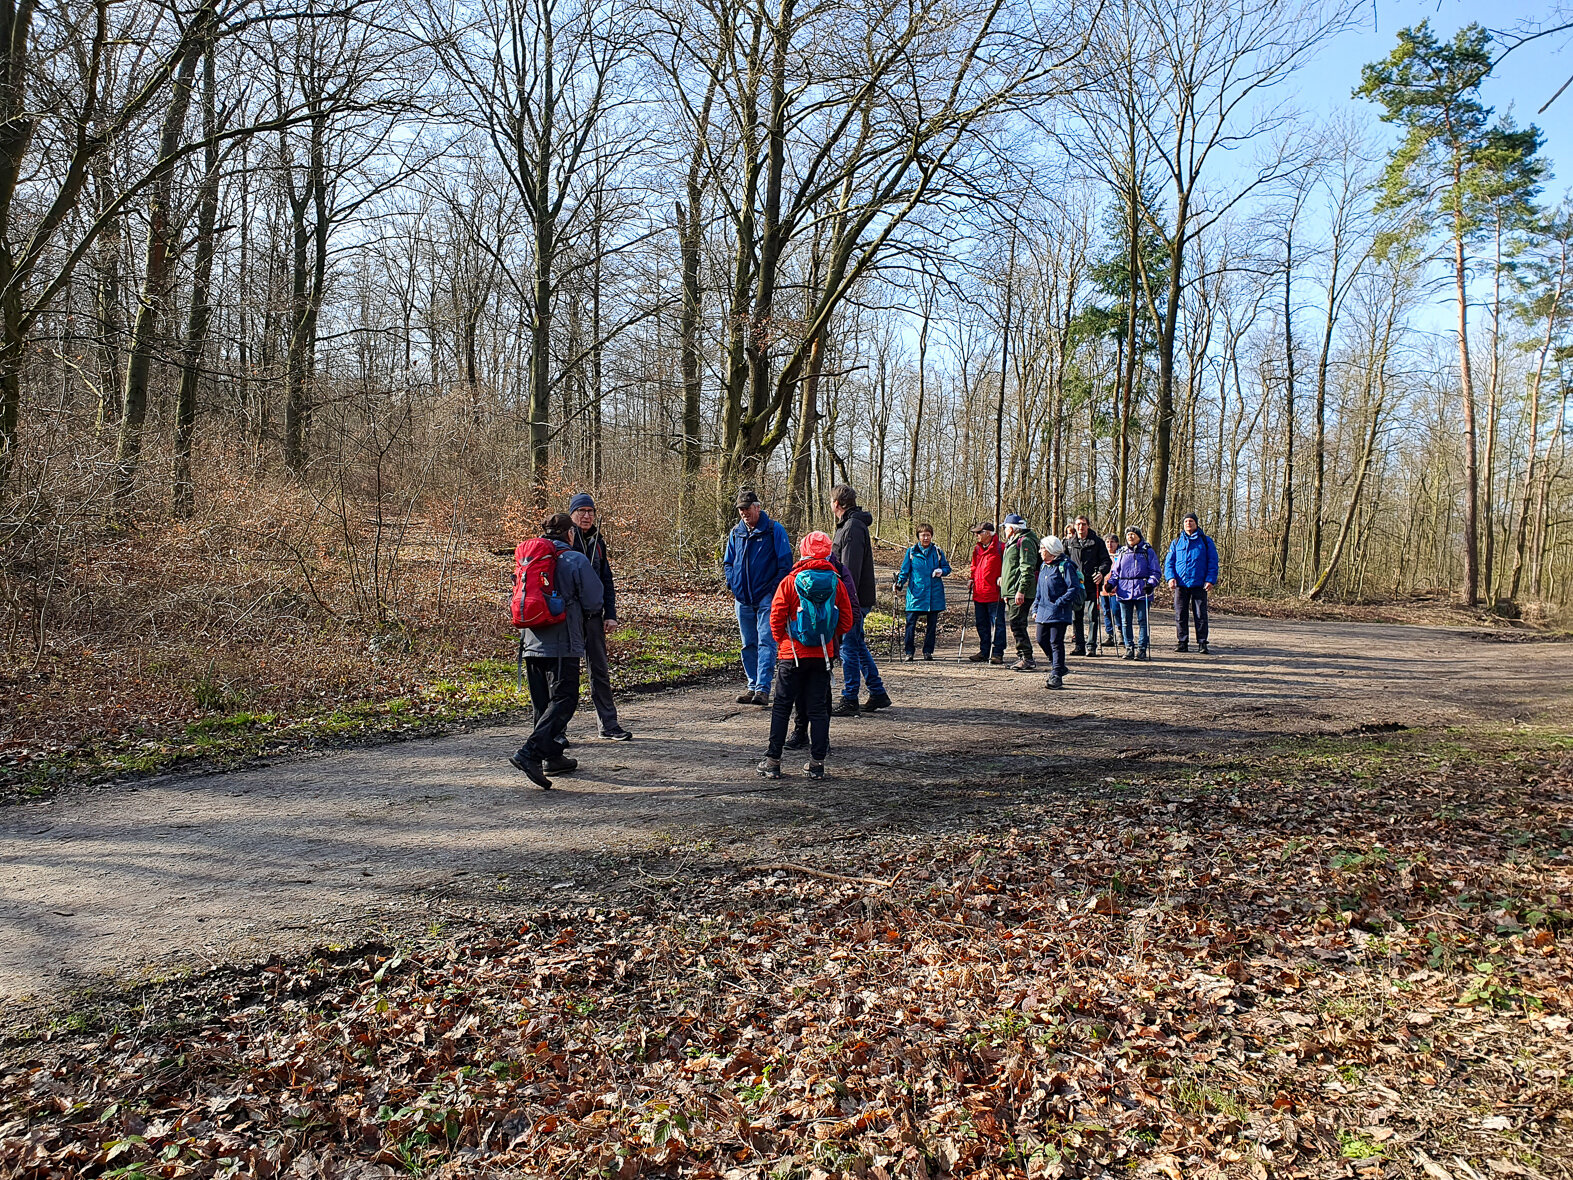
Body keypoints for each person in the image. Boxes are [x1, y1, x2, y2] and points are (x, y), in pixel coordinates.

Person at [508, 513, 605, 790]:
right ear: (570, 534)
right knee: (564, 699)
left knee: (543, 702)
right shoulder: (575, 559)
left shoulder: (528, 560)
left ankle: (551, 757)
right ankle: (530, 753)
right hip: (563, 642)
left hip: (530, 641)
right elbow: (594, 599)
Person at [758, 531, 855, 781]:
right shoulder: (836, 582)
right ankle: (816, 764)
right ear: (827, 553)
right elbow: (846, 621)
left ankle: (772, 762)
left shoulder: (790, 581)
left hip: (792, 656)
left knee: (782, 707)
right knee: (818, 710)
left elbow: (776, 617)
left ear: (802, 551)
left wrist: (785, 642)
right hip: (822, 656)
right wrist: (828, 637)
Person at [567, 493, 632, 740]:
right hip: (569, 618)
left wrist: (611, 614)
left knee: (600, 672)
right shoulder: (564, 539)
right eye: (581, 511)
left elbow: (606, 579)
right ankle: (558, 732)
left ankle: (609, 725)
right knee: (567, 675)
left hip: (594, 617)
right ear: (572, 514)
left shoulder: (598, 541)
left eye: (590, 511)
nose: (586, 516)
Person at [785, 541, 858, 751]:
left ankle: (811, 735)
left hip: (810, 645)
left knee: (812, 691)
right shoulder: (836, 572)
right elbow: (850, 610)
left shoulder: (834, 573)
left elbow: (780, 610)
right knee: (817, 691)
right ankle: (812, 736)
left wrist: (786, 636)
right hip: (820, 644)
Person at [722, 488, 793, 706]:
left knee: (766, 642)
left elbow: (785, 565)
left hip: (766, 598)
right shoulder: (736, 532)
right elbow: (727, 562)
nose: (744, 513)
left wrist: (772, 591)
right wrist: (733, 584)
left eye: (747, 508)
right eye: (740, 509)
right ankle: (752, 685)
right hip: (742, 598)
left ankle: (762, 689)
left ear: (757, 507)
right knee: (748, 644)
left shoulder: (774, 530)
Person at [829, 484, 890, 716]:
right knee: (857, 644)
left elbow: (849, 570)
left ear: (837, 504)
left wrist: (842, 601)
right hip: (855, 597)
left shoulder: (852, 527)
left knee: (849, 646)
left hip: (852, 599)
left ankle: (850, 698)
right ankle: (877, 692)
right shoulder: (850, 525)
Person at [1164, 511, 1219, 653]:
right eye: (1186, 521)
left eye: (1191, 521)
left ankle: (1202, 643)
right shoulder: (1176, 542)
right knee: (1180, 614)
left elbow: (1213, 562)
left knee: (1200, 615)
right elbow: (1169, 563)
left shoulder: (1206, 542)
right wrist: (1170, 578)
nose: (1188, 524)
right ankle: (1182, 642)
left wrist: (1210, 580)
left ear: (1196, 523)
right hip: (1180, 585)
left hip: (1199, 584)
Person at [894, 523, 951, 660]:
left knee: (932, 625)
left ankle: (928, 652)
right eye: (923, 535)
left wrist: (941, 571)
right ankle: (909, 652)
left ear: (931, 536)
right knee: (910, 624)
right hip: (916, 594)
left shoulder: (938, 551)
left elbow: (947, 568)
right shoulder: (911, 552)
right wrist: (899, 584)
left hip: (933, 594)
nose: (925, 537)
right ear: (918, 536)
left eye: (928, 535)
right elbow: (904, 572)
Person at [1031, 535, 1081, 689]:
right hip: (1044, 611)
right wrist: (1035, 607)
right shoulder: (1044, 566)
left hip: (1059, 612)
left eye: (1042, 548)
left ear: (1051, 550)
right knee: (1041, 639)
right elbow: (1039, 590)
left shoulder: (1066, 566)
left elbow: (1073, 587)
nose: (1040, 551)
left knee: (1055, 642)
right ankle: (1058, 666)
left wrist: (1060, 602)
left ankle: (1056, 675)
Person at [1063, 515, 1112, 657]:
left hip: (1092, 584)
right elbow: (1064, 561)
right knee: (1076, 616)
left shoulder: (1097, 542)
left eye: (1083, 524)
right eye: (1078, 524)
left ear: (1088, 526)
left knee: (1092, 616)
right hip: (1075, 585)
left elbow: (1106, 561)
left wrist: (1101, 573)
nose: (1080, 527)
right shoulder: (1069, 543)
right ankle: (1079, 646)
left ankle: (1091, 646)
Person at [1110, 526, 1161, 661]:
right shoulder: (1122, 552)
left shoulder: (1147, 551)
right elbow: (1115, 572)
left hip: (1142, 590)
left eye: (1133, 534)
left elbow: (1155, 571)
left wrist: (1150, 584)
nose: (1130, 537)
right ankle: (1129, 648)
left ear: (1139, 536)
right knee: (1125, 621)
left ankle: (1142, 649)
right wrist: (1111, 583)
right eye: (1128, 535)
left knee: (1142, 621)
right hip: (1124, 590)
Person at [1000, 514, 1042, 672]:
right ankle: (1023, 656)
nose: (1004, 530)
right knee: (1016, 623)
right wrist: (1006, 589)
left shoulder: (1025, 541)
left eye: (1005, 527)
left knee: (1018, 624)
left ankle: (1027, 658)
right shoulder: (1012, 542)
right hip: (1011, 591)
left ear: (1012, 528)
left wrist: (1021, 590)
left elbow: (1027, 569)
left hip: (1020, 591)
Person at [966, 522, 1006, 664]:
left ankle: (997, 653)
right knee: (981, 624)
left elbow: (1008, 568)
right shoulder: (977, 550)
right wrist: (971, 579)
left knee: (998, 624)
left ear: (988, 533)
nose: (976, 536)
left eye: (979, 533)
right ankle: (984, 651)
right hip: (979, 593)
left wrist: (1004, 580)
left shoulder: (1001, 548)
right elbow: (974, 567)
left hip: (995, 594)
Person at [1098, 533, 1122, 649]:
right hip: (1103, 588)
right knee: (1106, 611)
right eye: (1107, 542)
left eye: (1112, 542)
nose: (1110, 544)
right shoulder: (1102, 556)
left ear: (1117, 543)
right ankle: (1110, 635)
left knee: (1116, 610)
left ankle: (1121, 633)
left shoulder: (1121, 555)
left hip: (1117, 588)